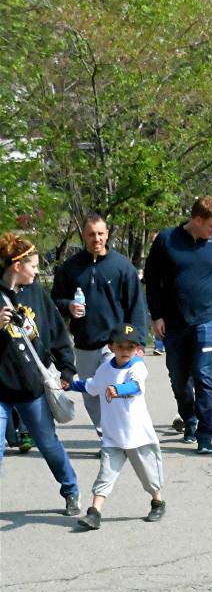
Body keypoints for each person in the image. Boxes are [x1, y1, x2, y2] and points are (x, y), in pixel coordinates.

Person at [0, 233, 81, 515]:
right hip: (0, 388)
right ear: (17, 265)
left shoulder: (36, 293)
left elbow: (57, 332)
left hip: (31, 386)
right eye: (33, 266)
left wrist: (67, 367)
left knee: (48, 444)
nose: (37, 272)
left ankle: (71, 490)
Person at [143, 196, 212, 454]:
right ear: (197, 220)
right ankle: (189, 419)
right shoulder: (166, 240)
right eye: (211, 226)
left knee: (204, 375)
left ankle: (205, 433)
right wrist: (156, 315)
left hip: (207, 319)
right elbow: (152, 280)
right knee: (178, 378)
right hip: (173, 322)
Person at [51, 213, 146, 438]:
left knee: (112, 389)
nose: (97, 239)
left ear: (107, 234)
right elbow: (54, 301)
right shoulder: (70, 267)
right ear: (83, 235)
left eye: (101, 233)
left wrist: (139, 342)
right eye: (91, 234)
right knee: (91, 395)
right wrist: (69, 306)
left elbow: (136, 305)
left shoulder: (122, 266)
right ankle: (105, 435)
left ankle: (117, 437)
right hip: (84, 342)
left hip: (114, 344)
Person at [67, 324, 165, 530]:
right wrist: (70, 385)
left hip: (138, 435)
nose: (125, 351)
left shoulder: (137, 366)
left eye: (131, 347)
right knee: (105, 475)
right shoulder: (104, 369)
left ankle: (157, 502)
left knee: (150, 477)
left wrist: (118, 389)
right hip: (112, 436)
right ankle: (94, 513)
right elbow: (91, 386)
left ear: (137, 348)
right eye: (120, 346)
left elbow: (135, 386)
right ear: (111, 347)